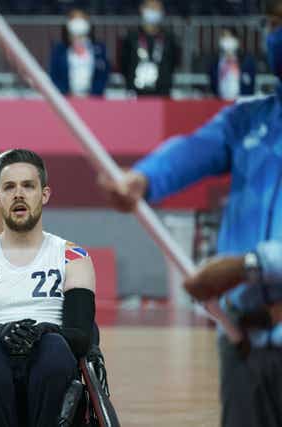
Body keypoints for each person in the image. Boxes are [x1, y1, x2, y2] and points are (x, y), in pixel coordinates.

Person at [98, 3, 282, 425]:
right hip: (244, 342)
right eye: (272, 23)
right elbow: (192, 150)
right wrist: (142, 179)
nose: (275, 35)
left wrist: (251, 266)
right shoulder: (250, 118)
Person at [0, 149, 96, 426]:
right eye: (9, 187)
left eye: (28, 186)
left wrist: (41, 332)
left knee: (54, 347)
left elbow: (81, 336)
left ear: (45, 194)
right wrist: (2, 332)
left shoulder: (74, 256)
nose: (19, 194)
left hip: (52, 360)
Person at [120, 0, 180, 97]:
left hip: (162, 93)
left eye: (157, 8)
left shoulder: (169, 38)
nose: (154, 11)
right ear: (142, 9)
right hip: (136, 93)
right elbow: (124, 64)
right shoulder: (131, 37)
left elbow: (173, 63)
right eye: (151, 7)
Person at [48, 8, 110, 97]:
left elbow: (103, 75)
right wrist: (67, 94)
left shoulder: (99, 49)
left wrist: (93, 94)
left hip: (93, 99)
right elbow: (55, 76)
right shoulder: (59, 50)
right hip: (67, 98)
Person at [208, 27, 256, 100]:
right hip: (220, 102)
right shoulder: (214, 63)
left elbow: (250, 85)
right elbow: (212, 84)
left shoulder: (246, 61)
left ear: (236, 41)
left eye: (230, 37)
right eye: (224, 37)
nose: (227, 41)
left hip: (241, 103)